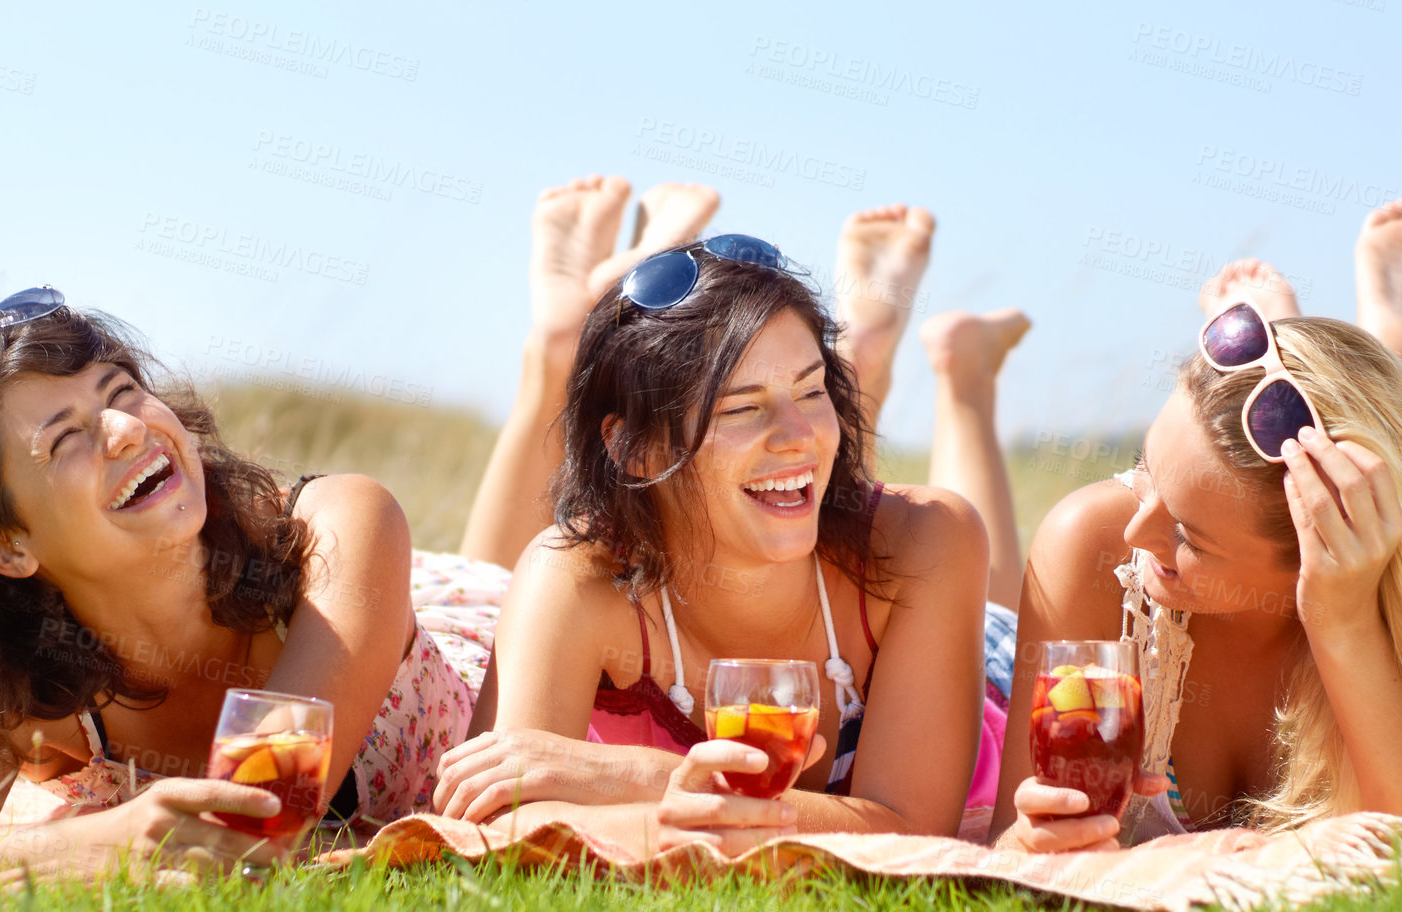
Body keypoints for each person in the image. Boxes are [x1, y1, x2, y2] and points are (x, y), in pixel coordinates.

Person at [0, 286, 506, 881]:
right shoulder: (8, 654)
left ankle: (554, 345)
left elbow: (258, 818)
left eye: (121, 392)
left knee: (512, 575)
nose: (129, 429)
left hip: (456, 634)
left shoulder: (339, 524)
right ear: (7, 546)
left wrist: (92, 853)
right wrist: (102, 840)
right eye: (65, 440)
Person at [436, 193, 1017, 852]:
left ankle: (962, 378)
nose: (798, 436)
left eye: (811, 390)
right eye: (741, 408)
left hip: (978, 660)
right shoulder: (579, 575)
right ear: (633, 447)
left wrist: (634, 777)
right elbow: (488, 821)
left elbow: (909, 830)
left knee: (984, 583)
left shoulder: (926, 537)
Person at [987, 198, 1402, 851]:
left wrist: (1342, 620)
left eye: (1188, 537)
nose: (1136, 535)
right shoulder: (1091, 539)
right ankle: (1347, 363)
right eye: (1145, 470)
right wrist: (1037, 834)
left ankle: (1376, 363)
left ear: (1314, 549)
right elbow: (1010, 841)